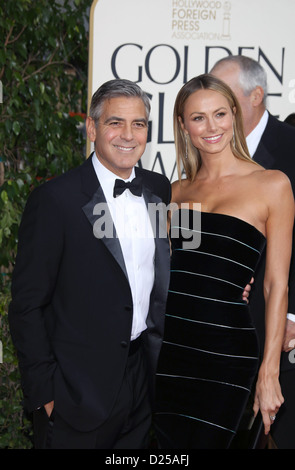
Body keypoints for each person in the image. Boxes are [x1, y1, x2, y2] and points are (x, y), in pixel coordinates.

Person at [8, 79, 172, 449]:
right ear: (93, 128)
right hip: (74, 394)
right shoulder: (56, 200)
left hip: (141, 383)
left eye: (139, 124)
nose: (128, 135)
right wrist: (46, 394)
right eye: (116, 123)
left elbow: (169, 267)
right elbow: (26, 306)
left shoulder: (159, 190)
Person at [154, 74, 294, 449]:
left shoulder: (272, 185)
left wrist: (270, 371)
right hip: (171, 354)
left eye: (219, 114)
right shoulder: (175, 193)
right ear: (183, 125)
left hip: (227, 356)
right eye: (198, 118)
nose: (211, 127)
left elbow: (275, 283)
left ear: (234, 115)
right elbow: (174, 270)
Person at [211, 55, 295, 449]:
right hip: (222, 342)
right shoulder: (209, 153)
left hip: (285, 341)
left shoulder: (291, 149)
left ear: (257, 95)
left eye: (224, 96)